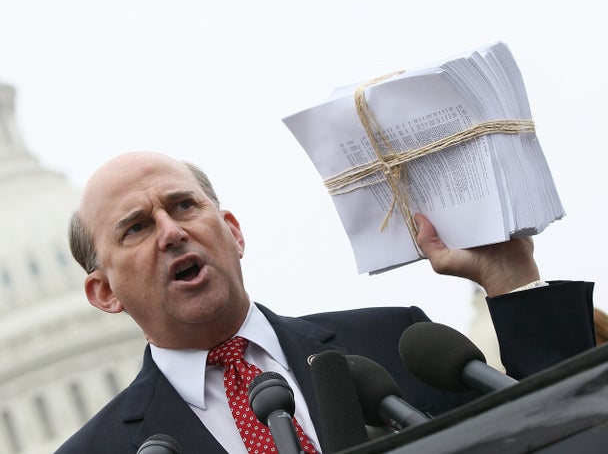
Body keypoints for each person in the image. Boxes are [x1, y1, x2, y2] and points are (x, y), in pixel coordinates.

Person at [55, 151, 595, 453]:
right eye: (137, 228)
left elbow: (570, 430)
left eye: (183, 205)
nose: (172, 232)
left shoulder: (396, 346)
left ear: (233, 233)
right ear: (104, 292)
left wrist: (509, 277)